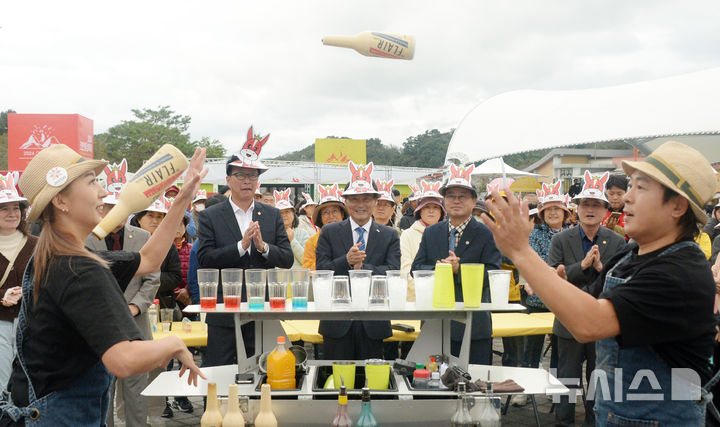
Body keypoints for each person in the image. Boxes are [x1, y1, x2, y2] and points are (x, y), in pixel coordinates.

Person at [482, 141, 716, 426]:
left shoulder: (680, 271)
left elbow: (590, 323)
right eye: (629, 186)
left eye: (640, 188)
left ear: (678, 206)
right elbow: (589, 303)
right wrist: (550, 281)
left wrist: (521, 252)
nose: (626, 197)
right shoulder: (629, 255)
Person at [0, 144, 205, 426]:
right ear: (61, 201)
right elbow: (123, 360)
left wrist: (182, 198)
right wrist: (172, 343)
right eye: (92, 181)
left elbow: (149, 259)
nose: (104, 192)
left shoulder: (55, 256)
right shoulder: (80, 269)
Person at [197, 126, 293, 367]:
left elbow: (287, 259)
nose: (247, 181)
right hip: (224, 310)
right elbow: (205, 258)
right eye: (241, 175)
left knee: (265, 371)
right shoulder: (211, 215)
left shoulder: (271, 215)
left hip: (264, 308)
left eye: (252, 176)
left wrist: (262, 247)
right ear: (228, 179)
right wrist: (241, 246)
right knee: (220, 373)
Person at [543, 171, 627, 427]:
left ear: (605, 210)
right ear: (576, 209)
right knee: (566, 378)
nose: (590, 209)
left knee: (598, 378)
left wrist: (600, 268)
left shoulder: (617, 241)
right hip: (568, 319)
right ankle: (564, 421)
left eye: (596, 205)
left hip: (601, 322)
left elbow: (620, 282)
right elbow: (552, 279)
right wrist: (581, 266)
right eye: (585, 204)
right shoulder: (560, 239)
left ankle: (595, 421)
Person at [85, 177, 161, 427]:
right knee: (101, 388)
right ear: (100, 208)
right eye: (107, 207)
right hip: (101, 327)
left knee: (137, 391)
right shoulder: (87, 238)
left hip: (135, 324)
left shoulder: (141, 236)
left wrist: (135, 306)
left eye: (119, 207)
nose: (112, 212)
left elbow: (152, 278)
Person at [412, 164, 501, 364]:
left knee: (474, 384)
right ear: (444, 201)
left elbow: (493, 273)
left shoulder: (486, 234)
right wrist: (441, 269)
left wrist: (460, 270)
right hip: (436, 323)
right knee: (433, 387)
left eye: (463, 196)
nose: (456, 200)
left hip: (473, 324)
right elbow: (416, 269)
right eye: (451, 195)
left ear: (474, 201)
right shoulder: (432, 232)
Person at [316, 162, 400, 360]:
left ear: (375, 201)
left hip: (373, 321)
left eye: (366, 198)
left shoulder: (389, 235)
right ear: (345, 201)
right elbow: (321, 272)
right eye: (354, 199)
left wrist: (363, 268)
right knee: (337, 381)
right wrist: (345, 260)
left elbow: (393, 273)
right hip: (336, 321)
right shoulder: (330, 232)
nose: (360, 204)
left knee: (372, 384)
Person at [514, 181, 571, 406]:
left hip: (562, 299)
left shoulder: (571, 235)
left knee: (559, 347)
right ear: (542, 212)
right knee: (531, 348)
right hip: (536, 298)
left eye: (558, 208)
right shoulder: (534, 233)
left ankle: (553, 385)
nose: (553, 212)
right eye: (549, 209)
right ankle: (525, 389)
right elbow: (529, 260)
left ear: (565, 213)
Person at [0, 174, 36, 394]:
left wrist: (29, 292)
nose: (12, 214)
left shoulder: (38, 245)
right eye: (4, 208)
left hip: (32, 325)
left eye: (16, 208)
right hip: (0, 326)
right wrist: (2, 296)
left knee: (30, 385)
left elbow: (50, 281)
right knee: (2, 387)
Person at [129, 196, 182, 312]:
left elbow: (175, 276)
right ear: (139, 218)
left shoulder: (168, 244)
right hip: (131, 303)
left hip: (163, 305)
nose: (155, 221)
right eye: (150, 215)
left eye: (159, 217)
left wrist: (149, 280)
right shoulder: (129, 241)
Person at [399, 180, 445, 302]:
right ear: (420, 211)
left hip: (444, 297)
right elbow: (405, 270)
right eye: (427, 207)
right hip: (416, 299)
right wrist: (423, 292)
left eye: (436, 207)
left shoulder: (448, 233)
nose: (431, 211)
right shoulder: (407, 235)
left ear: (441, 212)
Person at [187, 194, 227, 307]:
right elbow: (193, 279)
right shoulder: (199, 244)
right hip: (208, 302)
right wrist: (198, 302)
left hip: (233, 300)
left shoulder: (239, 240)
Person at [302, 184, 348, 270]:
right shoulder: (312, 242)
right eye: (325, 212)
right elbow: (307, 268)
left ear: (342, 214)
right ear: (320, 218)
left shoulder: (352, 235)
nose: (331, 216)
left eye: (335, 211)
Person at [275, 189, 309, 268]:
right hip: (278, 278)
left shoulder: (303, 233)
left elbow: (305, 259)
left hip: (298, 278)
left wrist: (292, 240)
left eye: (287, 212)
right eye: (280, 213)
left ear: (293, 214)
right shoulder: (271, 234)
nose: (284, 215)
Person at [602, 174, 628, 239]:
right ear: (606, 193)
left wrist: (615, 229)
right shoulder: (600, 212)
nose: (615, 198)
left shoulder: (632, 213)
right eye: (611, 194)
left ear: (626, 193)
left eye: (619, 194)